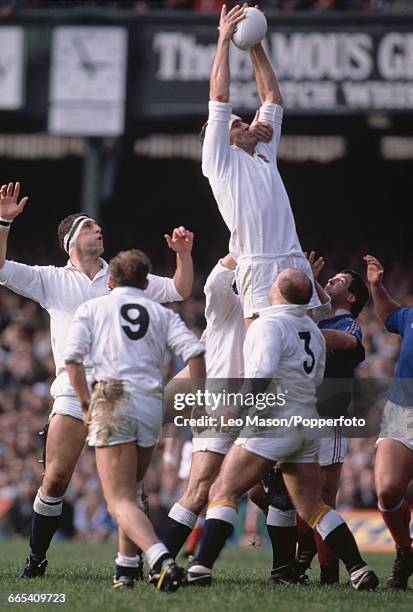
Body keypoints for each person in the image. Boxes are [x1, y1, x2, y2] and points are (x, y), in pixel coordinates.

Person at [0, 181, 194, 583]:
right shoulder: (51, 279)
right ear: (71, 242)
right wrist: (3, 221)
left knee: (131, 488)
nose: (98, 230)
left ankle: (130, 566)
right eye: (89, 227)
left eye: (98, 227)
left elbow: (179, 289)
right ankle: (37, 557)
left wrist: (184, 256)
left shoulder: (122, 277)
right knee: (55, 478)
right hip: (73, 393)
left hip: (118, 392)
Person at [187, 268, 378, 591]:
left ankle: (200, 567)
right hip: (306, 423)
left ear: (279, 293)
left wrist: (234, 410)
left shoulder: (270, 324)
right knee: (312, 506)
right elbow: (316, 378)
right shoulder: (314, 331)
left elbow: (261, 376)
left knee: (223, 491)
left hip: (275, 420)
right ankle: (358, 568)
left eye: (275, 281)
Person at [64, 248, 206, 591]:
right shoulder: (162, 313)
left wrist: (85, 404)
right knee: (134, 490)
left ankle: (162, 560)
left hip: (112, 394)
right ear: (145, 282)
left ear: (110, 281)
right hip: (149, 401)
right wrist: (198, 397)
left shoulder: (93, 308)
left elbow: (72, 360)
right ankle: (126, 569)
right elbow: (196, 352)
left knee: (118, 499)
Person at [201, 3, 319, 325]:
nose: (245, 125)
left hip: (293, 256)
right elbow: (219, 98)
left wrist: (255, 44)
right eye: (236, 125)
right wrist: (224, 40)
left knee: (305, 336)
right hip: (258, 262)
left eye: (243, 122)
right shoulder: (220, 162)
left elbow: (272, 98)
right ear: (223, 139)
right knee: (260, 343)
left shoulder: (263, 147)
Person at [262, 255, 369, 585]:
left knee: (322, 496)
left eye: (341, 280)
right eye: (332, 277)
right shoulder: (314, 319)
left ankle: (327, 572)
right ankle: (303, 553)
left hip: (330, 418)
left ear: (351, 297)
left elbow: (349, 343)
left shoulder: (346, 323)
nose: (333, 280)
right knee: (266, 490)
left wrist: (300, 330)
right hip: (297, 414)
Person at [162, 254, 246, 570]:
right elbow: (215, 282)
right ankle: (168, 558)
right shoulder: (229, 304)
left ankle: (286, 568)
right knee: (205, 491)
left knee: (263, 495)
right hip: (228, 402)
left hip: (256, 404)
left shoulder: (271, 311)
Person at [364, 254, 413, 591]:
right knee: (387, 489)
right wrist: (376, 286)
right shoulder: (410, 317)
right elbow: (389, 315)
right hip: (403, 410)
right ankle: (405, 551)